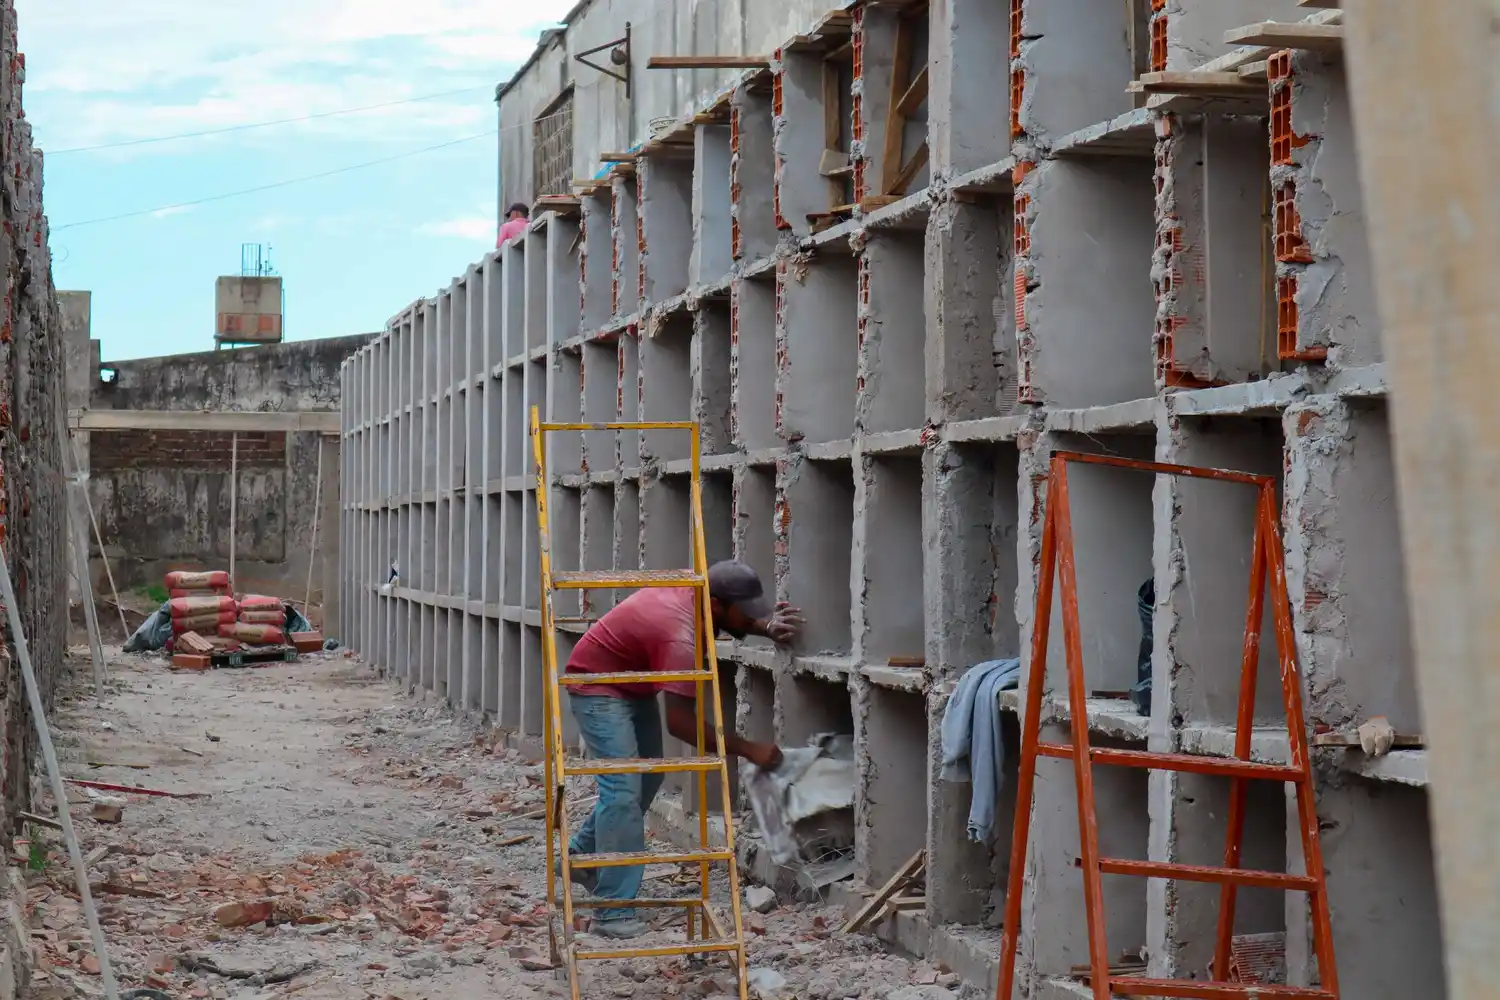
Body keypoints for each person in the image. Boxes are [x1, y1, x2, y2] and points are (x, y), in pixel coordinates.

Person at [559, 559, 803, 939]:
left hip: (634, 681)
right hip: (597, 683)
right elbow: (680, 723)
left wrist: (763, 627)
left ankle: (581, 859)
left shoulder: (697, 596)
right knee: (622, 787)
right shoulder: (679, 635)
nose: (753, 618)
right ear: (719, 604)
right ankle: (612, 912)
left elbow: (730, 621)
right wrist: (747, 749)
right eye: (747, 613)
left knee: (649, 777)